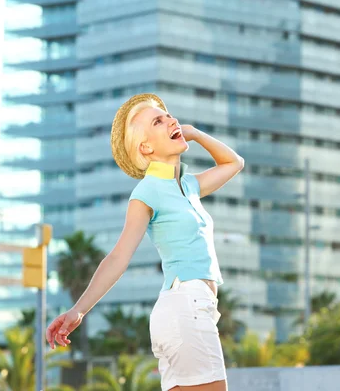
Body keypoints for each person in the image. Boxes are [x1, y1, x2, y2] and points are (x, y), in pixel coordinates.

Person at [46, 93, 245, 391]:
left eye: (168, 116)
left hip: (191, 309)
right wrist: (79, 310)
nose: (170, 120)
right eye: (158, 120)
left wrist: (195, 133)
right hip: (185, 307)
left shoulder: (188, 186)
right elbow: (118, 257)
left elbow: (234, 163)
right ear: (146, 147)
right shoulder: (147, 191)